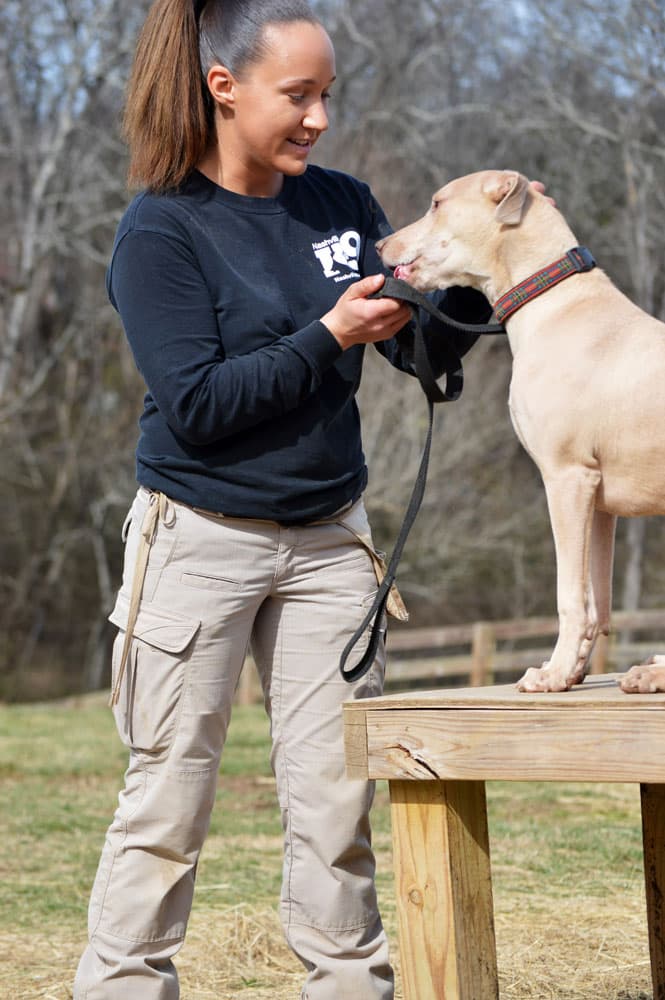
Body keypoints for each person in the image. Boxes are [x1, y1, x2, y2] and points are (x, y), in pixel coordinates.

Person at [73, 2, 497, 998]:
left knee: (335, 805)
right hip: (198, 537)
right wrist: (327, 335)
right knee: (167, 800)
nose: (318, 118)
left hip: (329, 545)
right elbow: (199, 405)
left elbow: (419, 351)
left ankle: (350, 984)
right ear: (223, 88)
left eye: (326, 96)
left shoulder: (340, 204)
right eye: (297, 95)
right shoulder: (161, 228)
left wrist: (480, 272)